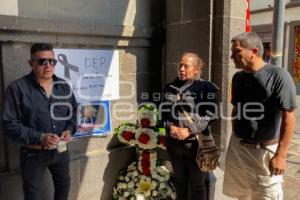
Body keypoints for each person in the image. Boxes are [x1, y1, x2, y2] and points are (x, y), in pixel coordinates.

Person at [223, 32, 297, 200]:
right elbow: (236, 109)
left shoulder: (278, 75)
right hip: (238, 148)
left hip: (264, 152)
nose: (231, 56)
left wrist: (281, 156)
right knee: (241, 195)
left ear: (253, 51)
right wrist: (238, 136)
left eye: (237, 52)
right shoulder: (238, 77)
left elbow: (289, 116)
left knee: (267, 196)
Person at [2, 43, 77, 200]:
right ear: (31, 63)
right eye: (42, 61)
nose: (48, 66)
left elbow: (73, 113)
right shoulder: (17, 89)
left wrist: (69, 129)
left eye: (52, 61)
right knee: (33, 195)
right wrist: (40, 137)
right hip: (33, 153)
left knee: (63, 187)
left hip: (61, 150)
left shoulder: (63, 86)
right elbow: (9, 124)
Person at [161, 52, 218, 200]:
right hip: (174, 144)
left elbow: (210, 115)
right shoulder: (169, 88)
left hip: (196, 145)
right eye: (180, 65)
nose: (181, 69)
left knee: (197, 184)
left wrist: (189, 130)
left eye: (186, 66)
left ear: (197, 69)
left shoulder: (207, 88)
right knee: (179, 181)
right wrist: (170, 127)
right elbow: (163, 114)